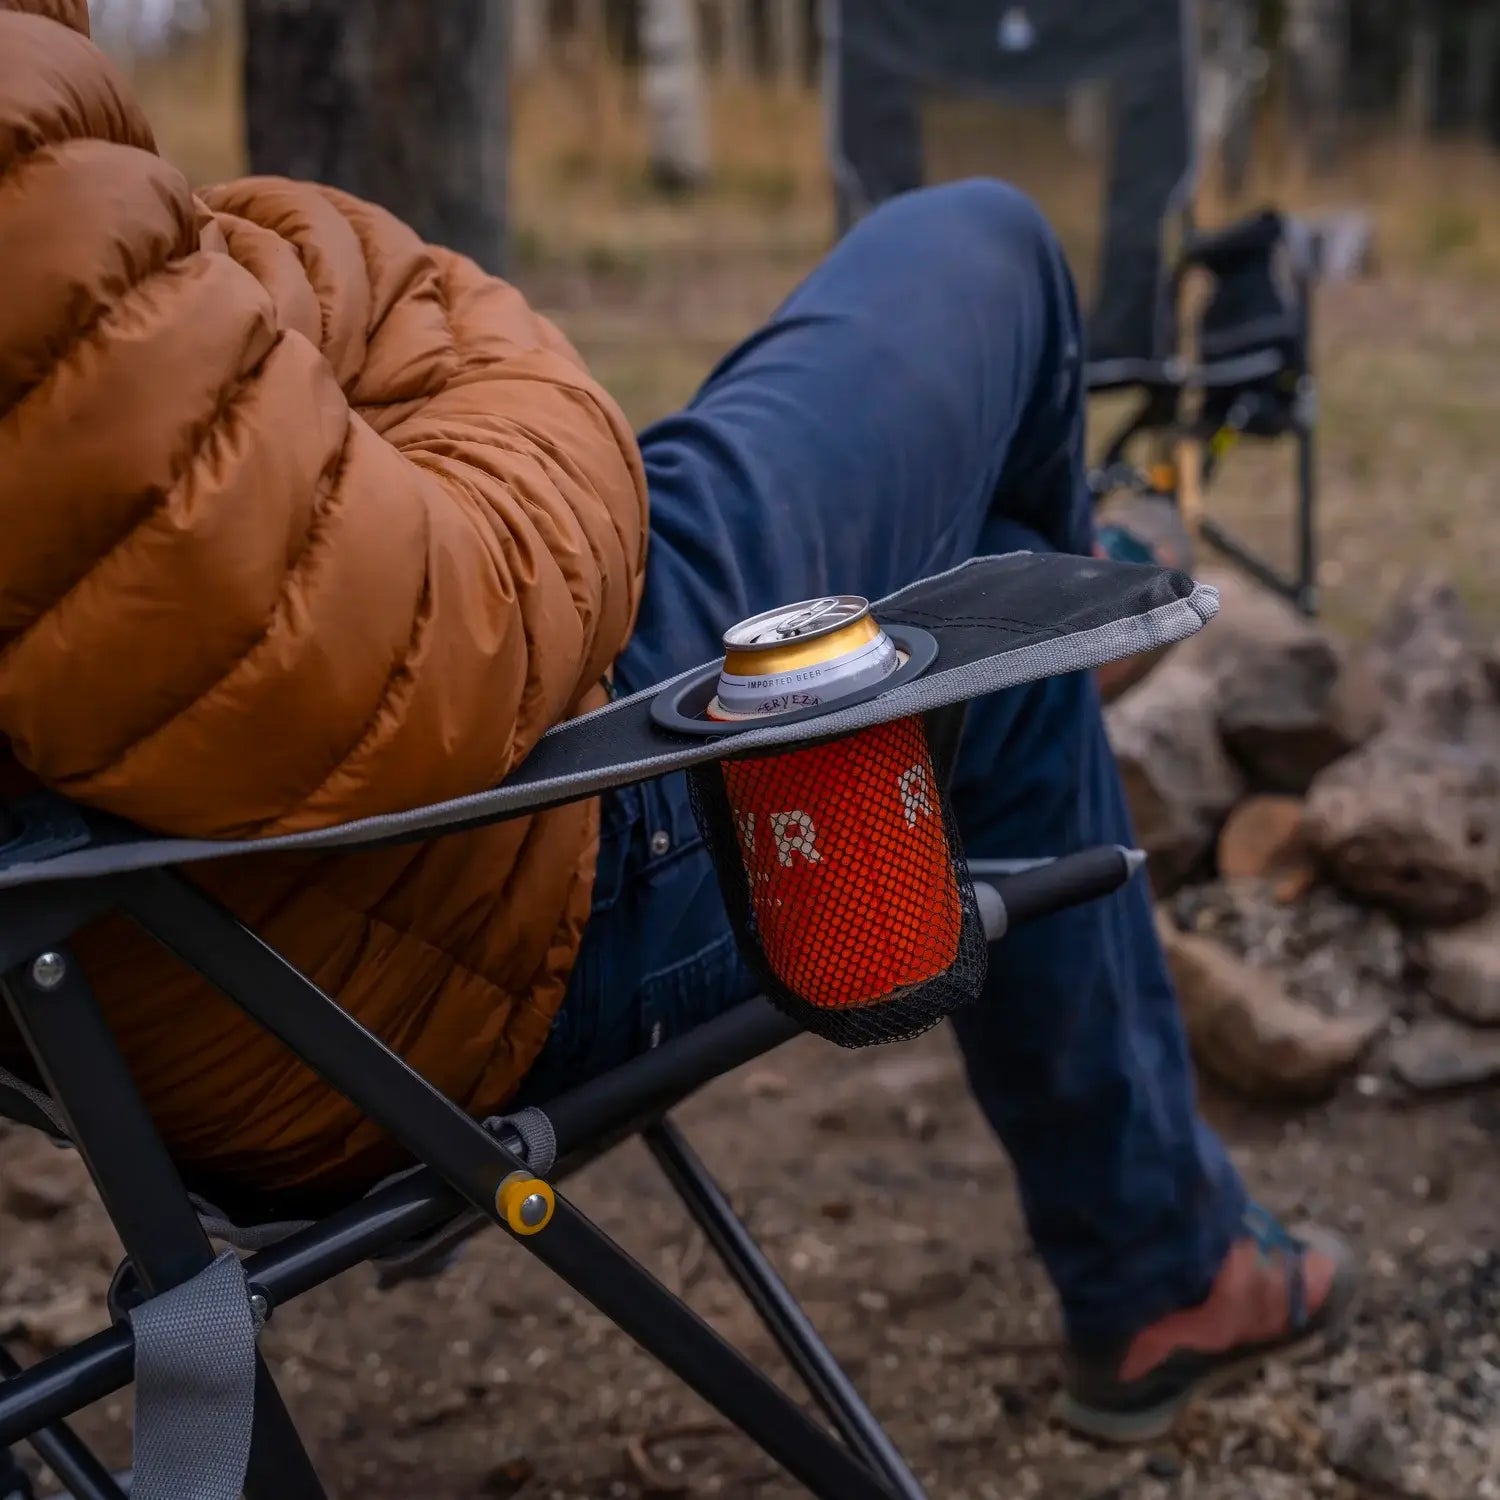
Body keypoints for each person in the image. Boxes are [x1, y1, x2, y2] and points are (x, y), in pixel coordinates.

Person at [0, 0, 1357, 1445]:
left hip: (200, 982)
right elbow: (443, 618)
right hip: (508, 884)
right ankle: (1158, 1251)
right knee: (988, 249)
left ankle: (1161, 1239)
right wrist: (477, 360)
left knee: (988, 613)